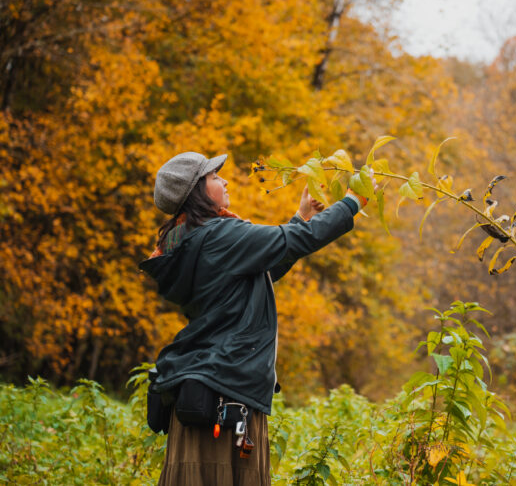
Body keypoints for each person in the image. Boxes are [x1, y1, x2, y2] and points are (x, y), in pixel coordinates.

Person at [139, 151, 366, 485]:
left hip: (205, 388)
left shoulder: (188, 240)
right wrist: (352, 202)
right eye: (214, 177)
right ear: (197, 192)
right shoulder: (218, 236)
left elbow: (262, 271)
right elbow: (298, 241)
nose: (224, 180)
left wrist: (300, 216)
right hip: (227, 390)